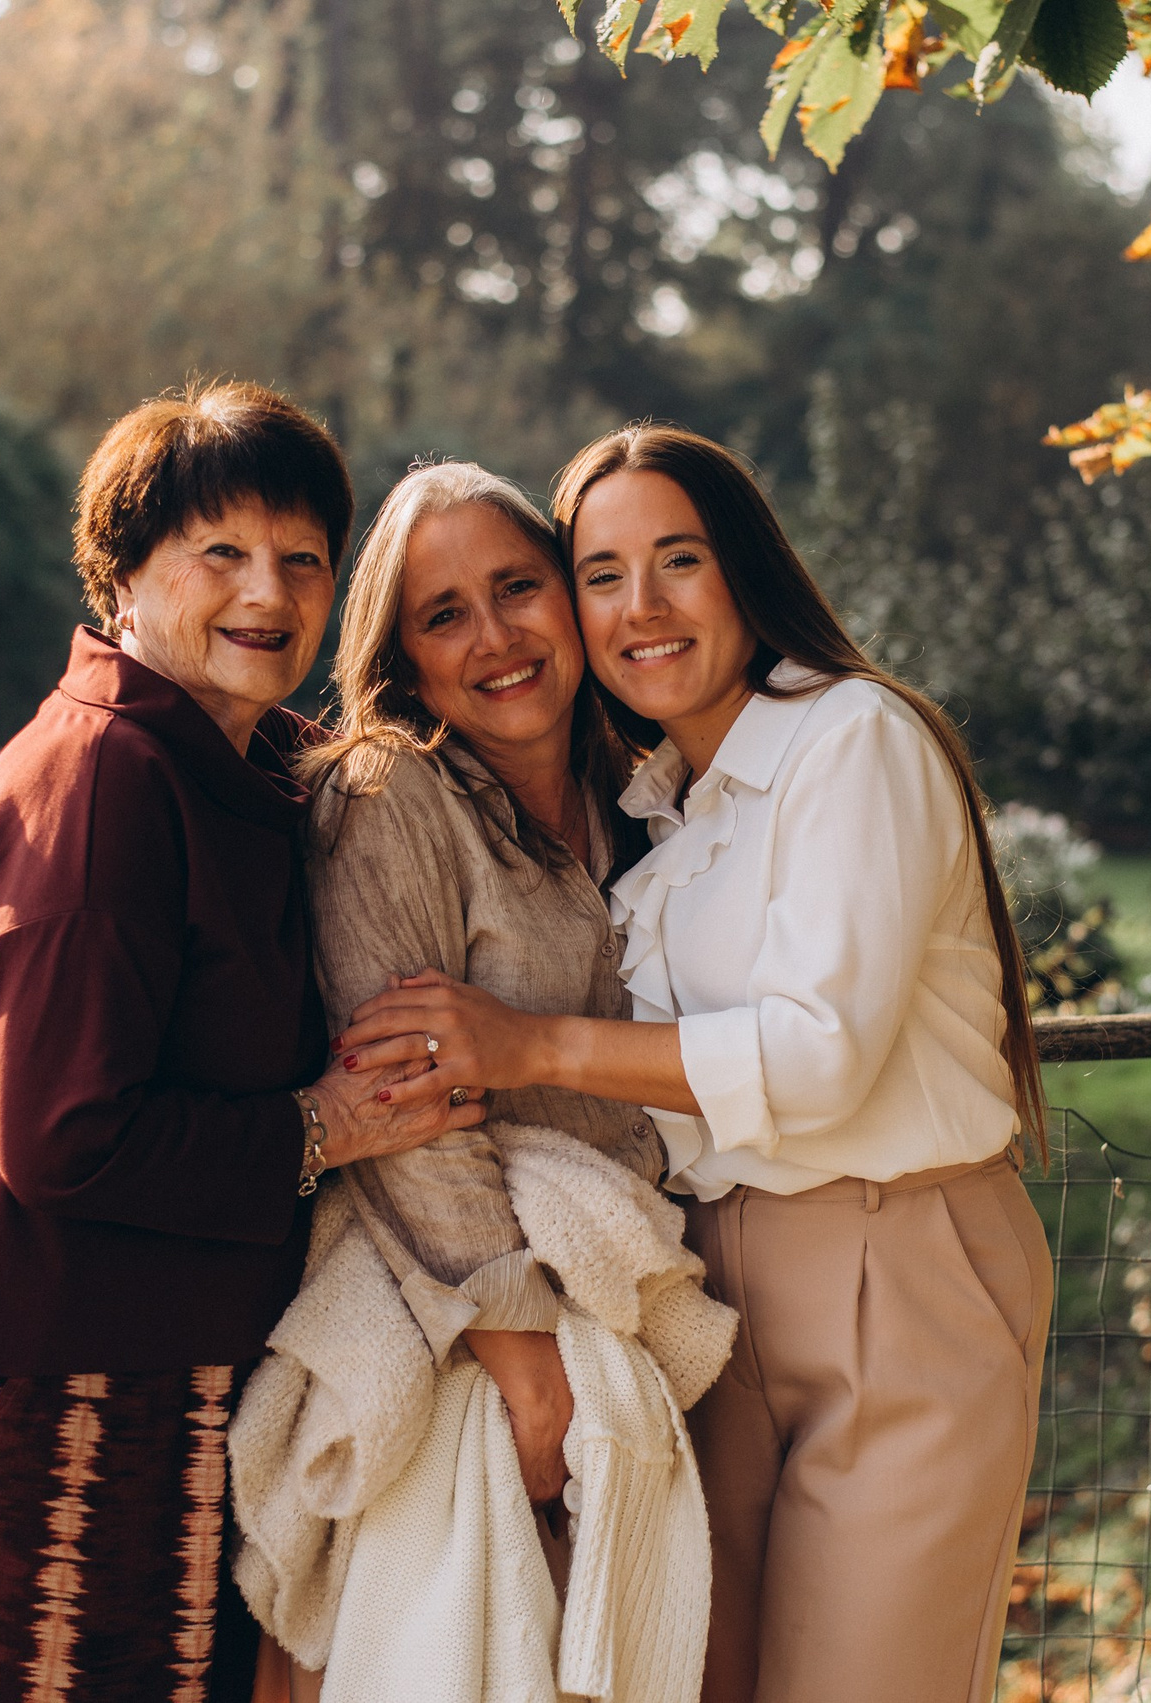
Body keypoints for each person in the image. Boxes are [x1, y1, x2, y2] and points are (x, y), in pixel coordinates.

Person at [338, 424, 1056, 1703]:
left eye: (679, 559)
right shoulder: (661, 802)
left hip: (895, 1265)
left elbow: (821, 1057)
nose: (641, 606)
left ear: (748, 572)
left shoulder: (855, 738)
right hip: (708, 1297)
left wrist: (528, 1046)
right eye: (604, 572)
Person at [0, 382, 481, 1703]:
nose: (270, 591)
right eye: (221, 553)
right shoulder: (104, 779)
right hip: (15, 1359)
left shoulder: (244, 765)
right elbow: (67, 1136)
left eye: (303, 560)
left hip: (143, 1354)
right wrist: (326, 1124)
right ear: (122, 573)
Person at [248, 459, 702, 1700]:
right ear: (401, 655)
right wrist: (521, 1355)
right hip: (466, 1316)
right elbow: (403, 1103)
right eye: (446, 614)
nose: (496, 636)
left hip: (618, 1287)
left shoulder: (636, 787)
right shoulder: (388, 792)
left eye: (518, 588)